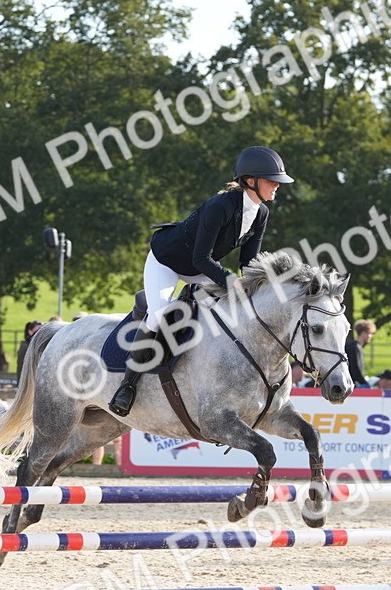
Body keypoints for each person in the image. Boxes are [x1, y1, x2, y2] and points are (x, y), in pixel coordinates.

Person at [108, 146, 293, 416]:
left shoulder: (261, 213)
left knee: (225, 312)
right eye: (271, 180)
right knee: (158, 315)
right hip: (168, 261)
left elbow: (248, 263)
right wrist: (230, 281)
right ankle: (127, 386)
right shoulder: (220, 206)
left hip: (201, 267)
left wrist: (263, 286)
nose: (277, 186)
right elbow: (200, 258)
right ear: (250, 181)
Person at [345, 319, 376, 387]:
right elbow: (356, 370)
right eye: (370, 333)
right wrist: (365, 383)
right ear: (363, 333)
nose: (371, 336)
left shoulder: (350, 345)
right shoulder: (356, 347)